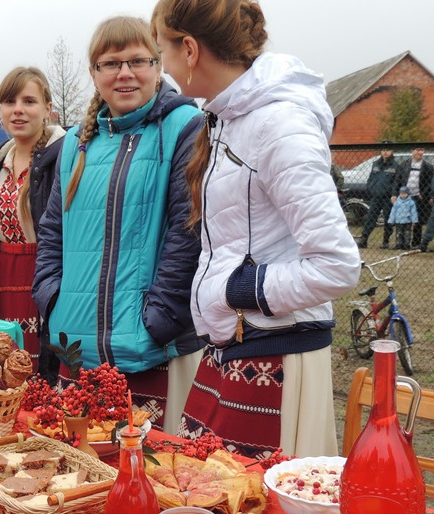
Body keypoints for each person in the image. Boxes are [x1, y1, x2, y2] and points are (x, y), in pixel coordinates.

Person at [151, 0, 361, 457]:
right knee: (206, 498)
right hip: (235, 344)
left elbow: (338, 265)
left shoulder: (279, 124)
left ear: (188, 49)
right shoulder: (228, 118)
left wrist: (239, 289)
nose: (161, 68)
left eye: (160, 52)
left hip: (274, 352)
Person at [32, 16, 204, 434]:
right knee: (78, 477)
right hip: (77, 346)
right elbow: (53, 230)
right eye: (110, 63)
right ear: (94, 74)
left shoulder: (185, 128)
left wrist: (157, 320)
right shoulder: (76, 142)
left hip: (155, 346)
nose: (125, 73)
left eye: (137, 61)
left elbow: (188, 231)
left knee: (157, 479)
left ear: (159, 66)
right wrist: (52, 300)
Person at [0, 67, 66, 384]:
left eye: (29, 101)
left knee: (41, 373)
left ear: (48, 109)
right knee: (1, 371)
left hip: (45, 274)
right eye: (9, 101)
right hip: (3, 277)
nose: (18, 109)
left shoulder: (64, 156)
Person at [354, 141, 398, 249]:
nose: (385, 152)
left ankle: (385, 241)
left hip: (387, 197)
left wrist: (393, 194)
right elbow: (371, 178)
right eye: (383, 150)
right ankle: (364, 239)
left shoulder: (395, 166)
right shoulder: (376, 164)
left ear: (392, 151)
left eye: (387, 150)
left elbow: (396, 182)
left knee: (388, 219)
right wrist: (371, 188)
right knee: (370, 218)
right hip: (376, 196)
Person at [394, 147, 433, 247]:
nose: (420, 152)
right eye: (417, 150)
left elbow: (430, 183)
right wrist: (395, 194)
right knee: (401, 219)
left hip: (418, 197)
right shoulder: (404, 164)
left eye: (422, 150)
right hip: (404, 197)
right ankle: (401, 243)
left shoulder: (428, 166)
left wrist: (423, 194)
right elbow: (397, 180)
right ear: (411, 151)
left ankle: (416, 242)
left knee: (417, 220)